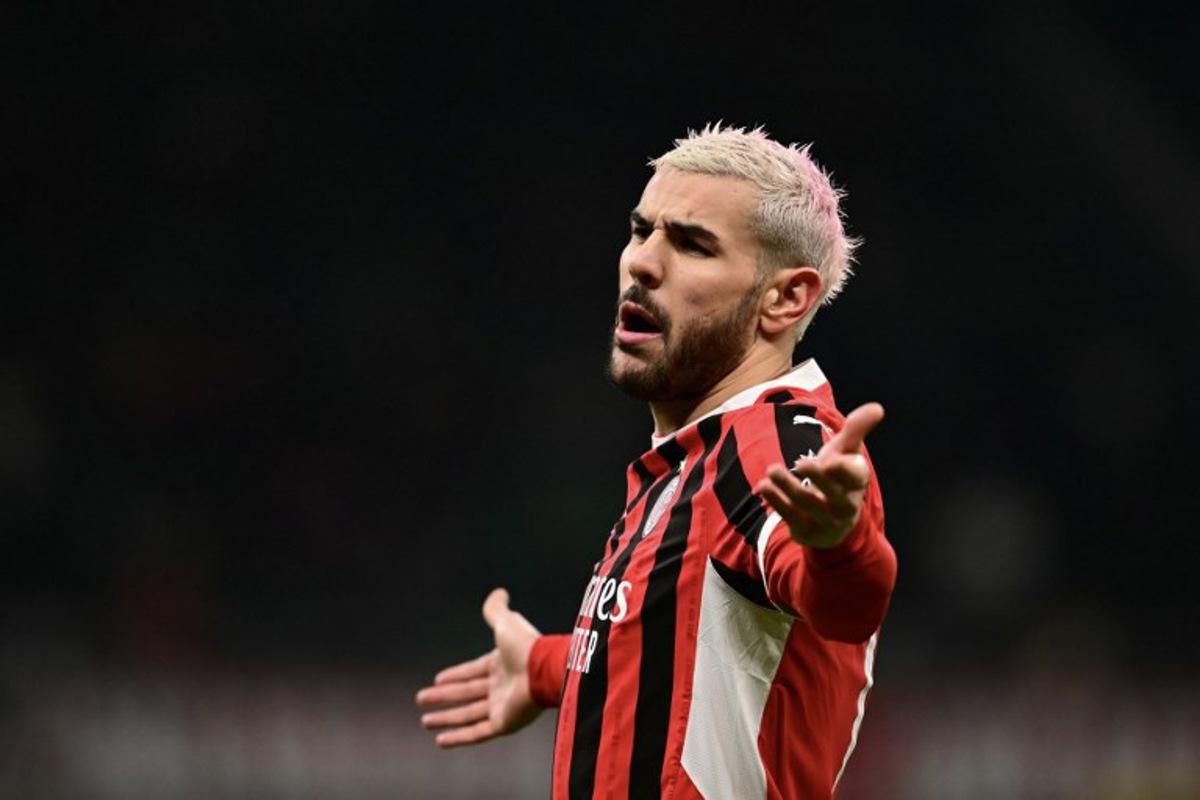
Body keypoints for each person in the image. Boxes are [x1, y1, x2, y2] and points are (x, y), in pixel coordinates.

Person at [415, 125, 898, 799]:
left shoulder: (775, 443)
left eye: (693, 245)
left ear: (785, 298)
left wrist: (839, 545)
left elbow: (844, 606)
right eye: (642, 232)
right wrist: (550, 666)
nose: (642, 263)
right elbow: (677, 642)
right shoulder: (693, 458)